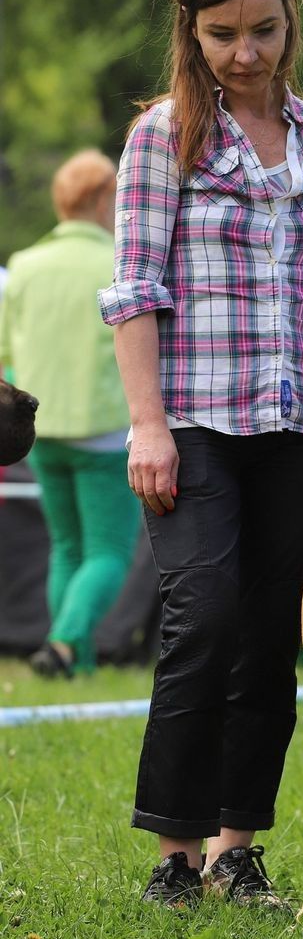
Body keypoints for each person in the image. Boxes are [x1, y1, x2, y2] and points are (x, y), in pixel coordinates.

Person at [98, 0, 303, 909]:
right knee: (202, 618)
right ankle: (174, 855)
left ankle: (236, 848)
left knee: (268, 634)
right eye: (223, 34)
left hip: (301, 423)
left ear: (290, 22)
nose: (245, 52)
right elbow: (134, 290)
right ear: (192, 30)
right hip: (194, 421)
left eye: (262, 30)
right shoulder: (160, 137)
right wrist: (148, 425)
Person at [0, 150, 138, 677]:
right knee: (108, 551)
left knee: (66, 547)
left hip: (38, 431)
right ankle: (62, 645)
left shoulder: (25, 265)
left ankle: (76, 664)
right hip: (103, 430)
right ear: (105, 199)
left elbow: (6, 352)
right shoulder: (118, 263)